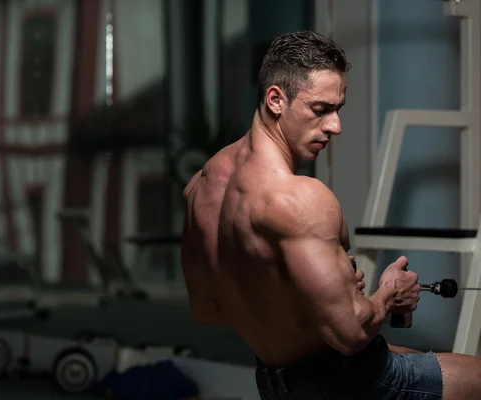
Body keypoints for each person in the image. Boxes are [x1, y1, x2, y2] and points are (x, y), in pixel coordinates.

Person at [180, 30, 481, 399]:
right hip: (346, 381)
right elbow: (351, 333)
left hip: (279, 385)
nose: (334, 126)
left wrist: (309, 303)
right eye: (320, 110)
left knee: (421, 358)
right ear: (276, 99)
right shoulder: (302, 199)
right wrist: (388, 293)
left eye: (338, 110)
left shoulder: (200, 187)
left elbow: (207, 310)